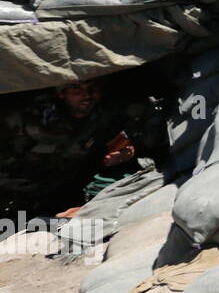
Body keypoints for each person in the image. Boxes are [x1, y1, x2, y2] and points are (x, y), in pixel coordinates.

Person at [0, 79, 149, 215]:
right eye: (77, 89)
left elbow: (98, 152)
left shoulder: (103, 115)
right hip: (10, 196)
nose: (87, 95)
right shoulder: (26, 117)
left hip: (56, 195)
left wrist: (123, 155)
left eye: (93, 88)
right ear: (61, 93)